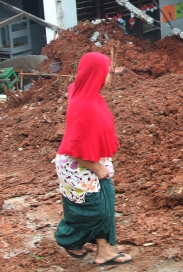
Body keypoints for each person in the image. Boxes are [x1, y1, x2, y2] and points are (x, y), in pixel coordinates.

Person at [54, 52, 133, 266]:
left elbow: (73, 88)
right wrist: (97, 168)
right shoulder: (85, 106)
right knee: (94, 210)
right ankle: (69, 238)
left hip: (89, 162)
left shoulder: (85, 93)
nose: (109, 76)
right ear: (96, 74)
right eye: (106, 72)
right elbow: (74, 147)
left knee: (103, 203)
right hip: (81, 164)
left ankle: (104, 251)